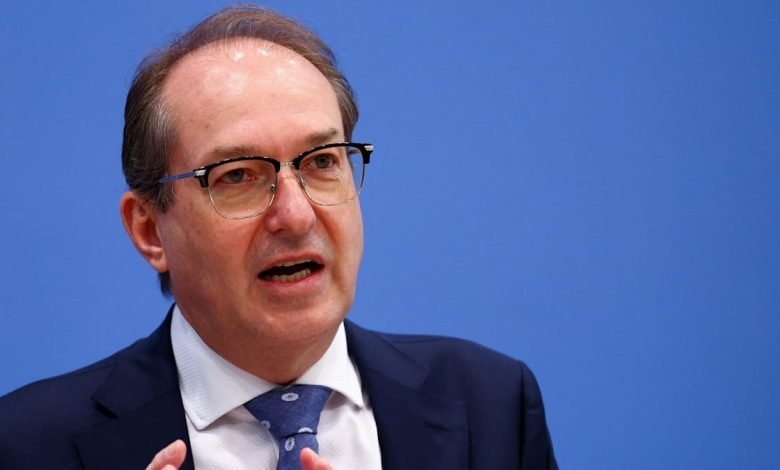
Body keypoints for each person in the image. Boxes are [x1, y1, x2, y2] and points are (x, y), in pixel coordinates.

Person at [0, 5, 557, 469]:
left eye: (322, 161)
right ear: (150, 231)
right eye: (237, 176)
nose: (296, 215)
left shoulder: (491, 405)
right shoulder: (25, 445)